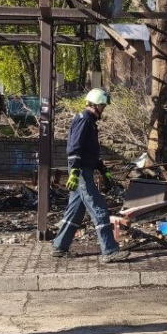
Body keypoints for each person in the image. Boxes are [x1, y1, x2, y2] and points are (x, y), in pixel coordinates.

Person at [52, 88, 131, 263]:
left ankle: (59, 246)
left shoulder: (90, 122)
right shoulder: (84, 120)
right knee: (99, 208)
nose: (104, 109)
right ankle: (109, 251)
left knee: (75, 211)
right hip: (81, 172)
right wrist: (74, 171)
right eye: (103, 105)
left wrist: (103, 169)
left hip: (84, 169)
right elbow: (74, 147)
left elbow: (91, 152)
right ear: (96, 105)